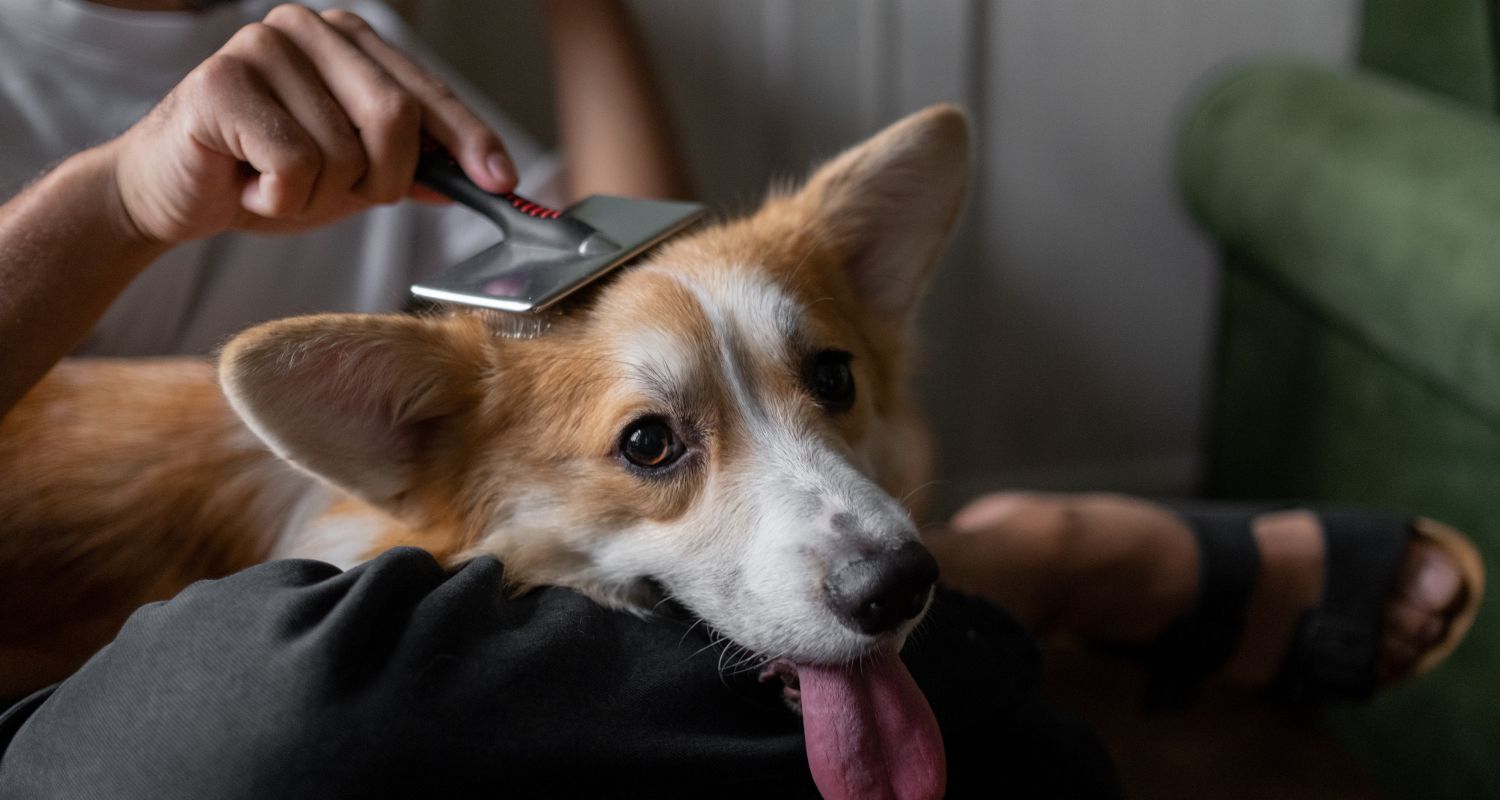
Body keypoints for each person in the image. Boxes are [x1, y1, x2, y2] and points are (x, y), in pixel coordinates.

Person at [0, 1, 1482, 796]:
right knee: (292, 708)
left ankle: (989, 589)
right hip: (259, 615)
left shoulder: (350, 26)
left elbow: (635, 255)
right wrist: (123, 200)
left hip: (504, 511)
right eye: (658, 445)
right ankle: (1017, 574)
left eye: (828, 383)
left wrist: (589, 12)